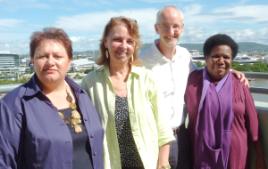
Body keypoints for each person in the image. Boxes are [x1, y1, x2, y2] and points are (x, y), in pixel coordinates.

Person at [140, 5, 248, 169]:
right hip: (153, 138)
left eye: (176, 26)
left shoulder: (184, 56)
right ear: (156, 28)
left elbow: (202, 74)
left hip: (181, 136)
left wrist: (228, 70)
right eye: (165, 26)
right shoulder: (141, 60)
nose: (171, 31)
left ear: (182, 28)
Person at [0, 27, 104, 169]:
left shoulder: (82, 95)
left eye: (58, 56)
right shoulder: (13, 105)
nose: (50, 62)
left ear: (69, 60)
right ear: (33, 60)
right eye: (42, 56)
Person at [81, 16, 174, 169]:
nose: (123, 46)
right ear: (106, 42)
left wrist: (163, 164)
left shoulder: (147, 79)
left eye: (129, 41)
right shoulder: (90, 83)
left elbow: (163, 129)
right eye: (117, 39)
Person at [184, 34, 265, 169]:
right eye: (215, 56)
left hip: (235, 155)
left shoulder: (239, 84)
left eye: (226, 57)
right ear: (206, 58)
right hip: (201, 152)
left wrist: (260, 156)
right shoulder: (193, 81)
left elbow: (253, 121)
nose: (221, 61)